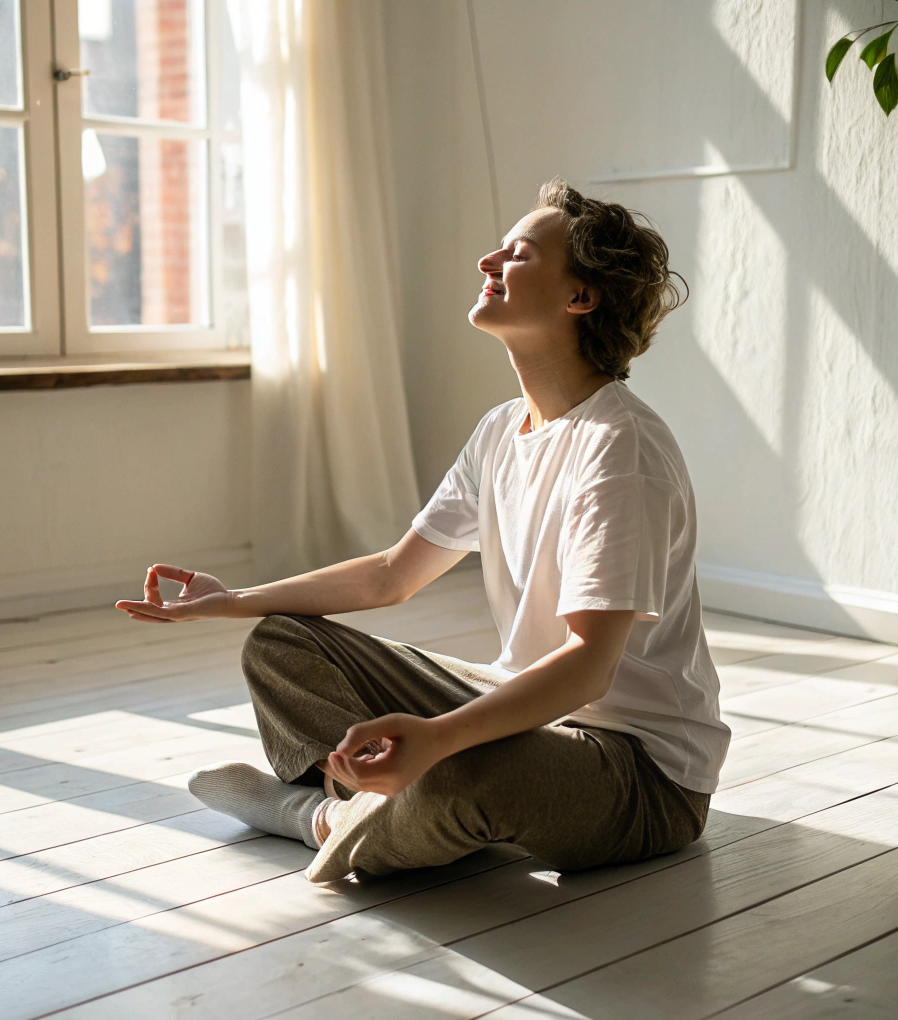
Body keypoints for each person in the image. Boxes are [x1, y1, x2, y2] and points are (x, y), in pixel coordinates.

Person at [116, 177, 731, 884]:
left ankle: (315, 817)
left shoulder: (621, 451)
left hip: (641, 773)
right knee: (283, 641)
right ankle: (382, 803)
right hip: (534, 711)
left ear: (580, 297)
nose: (487, 263)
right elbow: (391, 575)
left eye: (519, 254)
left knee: (458, 773)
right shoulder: (503, 428)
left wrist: (438, 740)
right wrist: (234, 601)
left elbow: (589, 666)